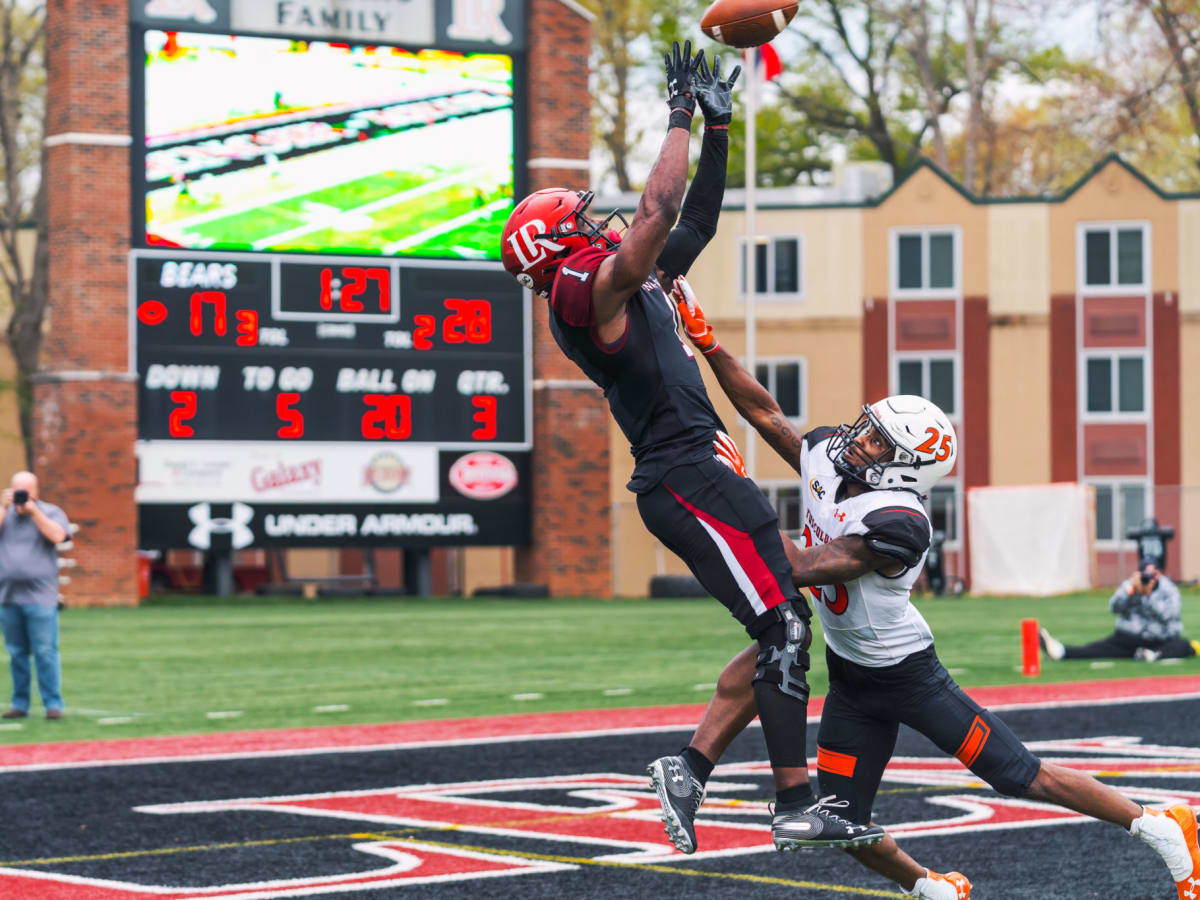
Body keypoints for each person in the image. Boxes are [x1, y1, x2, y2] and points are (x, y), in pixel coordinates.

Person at [642, 277, 1200, 900]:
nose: (859, 438)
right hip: (851, 677)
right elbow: (768, 413)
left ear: (906, 467)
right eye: (869, 426)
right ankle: (930, 887)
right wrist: (708, 341)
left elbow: (794, 566)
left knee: (1017, 775)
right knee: (833, 821)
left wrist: (734, 496)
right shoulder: (835, 457)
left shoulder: (900, 523)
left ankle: (1157, 824)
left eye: (878, 440)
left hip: (908, 676)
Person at [500, 41, 881, 852]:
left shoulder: (621, 279)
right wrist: (676, 110)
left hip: (697, 473)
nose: (595, 225)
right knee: (782, 624)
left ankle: (692, 768)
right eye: (581, 222)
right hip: (684, 474)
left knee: (780, 621)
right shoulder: (581, 292)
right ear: (561, 247)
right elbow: (656, 214)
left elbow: (695, 219)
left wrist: (718, 128)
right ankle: (791, 803)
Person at [0, 471, 69, 720]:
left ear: (35, 492)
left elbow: (58, 536)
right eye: (16, 490)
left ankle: (53, 704)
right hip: (7, 597)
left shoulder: (50, 512)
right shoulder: (4, 513)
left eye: (25, 491)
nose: (20, 496)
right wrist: (3, 507)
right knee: (17, 653)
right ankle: (20, 703)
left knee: (45, 652)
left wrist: (34, 512)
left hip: (41, 597)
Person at [1040, 558, 1198, 663]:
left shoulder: (1169, 589)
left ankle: (1152, 655)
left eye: (1153, 574)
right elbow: (1114, 607)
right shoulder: (1130, 585)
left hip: (1159, 640)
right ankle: (1061, 652)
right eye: (1146, 574)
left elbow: (1169, 615)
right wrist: (1132, 591)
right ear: (1138, 573)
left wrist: (1147, 597)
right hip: (1127, 639)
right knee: (1097, 649)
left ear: (1159, 573)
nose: (1150, 578)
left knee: (1183, 645)